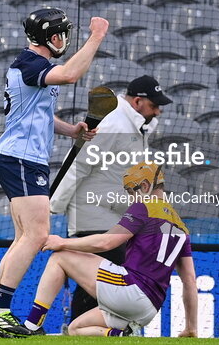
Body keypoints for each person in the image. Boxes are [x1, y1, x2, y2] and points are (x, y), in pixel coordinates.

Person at [0, 8, 109, 337]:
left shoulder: (34, 67)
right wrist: (96, 38)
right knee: (36, 235)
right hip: (20, 158)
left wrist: (71, 130)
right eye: (60, 35)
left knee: (24, 237)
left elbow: (40, 114)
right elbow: (70, 75)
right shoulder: (31, 64)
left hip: (22, 158)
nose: (64, 40)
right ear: (48, 38)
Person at [50, 75, 172, 323]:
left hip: (114, 214)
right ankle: (81, 330)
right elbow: (78, 164)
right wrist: (52, 206)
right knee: (101, 277)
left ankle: (82, 331)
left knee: (99, 279)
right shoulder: (115, 123)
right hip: (94, 213)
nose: (158, 111)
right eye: (154, 105)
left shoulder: (136, 126)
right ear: (138, 101)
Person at [24, 163, 197, 337]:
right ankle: (119, 334)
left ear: (144, 186)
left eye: (131, 192)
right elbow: (189, 281)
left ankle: (32, 326)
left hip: (130, 290)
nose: (131, 199)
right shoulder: (182, 227)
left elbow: (106, 242)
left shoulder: (144, 207)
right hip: (148, 310)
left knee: (60, 257)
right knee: (75, 329)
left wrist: (62, 242)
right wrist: (191, 328)